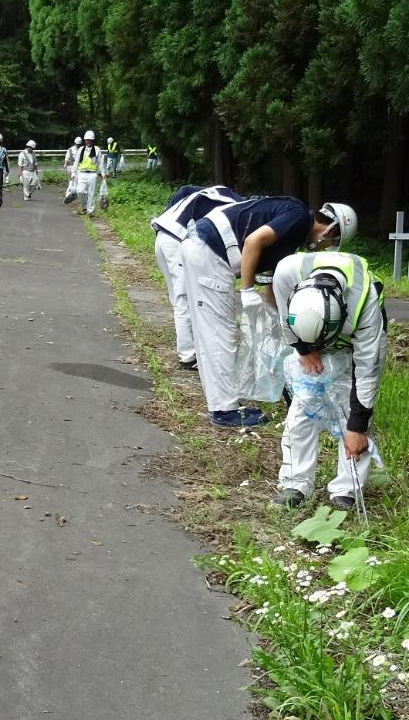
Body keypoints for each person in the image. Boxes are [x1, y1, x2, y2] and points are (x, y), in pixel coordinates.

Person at [180, 195, 357, 428]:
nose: (326, 247)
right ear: (331, 230)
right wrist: (246, 290)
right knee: (219, 335)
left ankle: (221, 403)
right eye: (331, 242)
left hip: (203, 247)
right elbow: (254, 241)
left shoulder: (291, 238)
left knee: (211, 332)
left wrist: (281, 322)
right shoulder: (298, 217)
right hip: (211, 250)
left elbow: (272, 284)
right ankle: (224, 410)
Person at [270, 249, 387, 511]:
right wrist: (302, 349)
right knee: (303, 405)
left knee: (352, 410)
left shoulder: (364, 306)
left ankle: (347, 489)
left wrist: (357, 426)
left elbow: (367, 372)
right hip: (308, 333)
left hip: (354, 345)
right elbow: (283, 318)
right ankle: (295, 483)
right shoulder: (287, 272)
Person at [149, 183, 241, 370]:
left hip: (163, 235)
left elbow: (183, 190)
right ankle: (188, 355)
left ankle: (190, 349)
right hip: (176, 240)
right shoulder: (235, 207)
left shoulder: (217, 192)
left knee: (178, 298)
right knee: (184, 299)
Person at [69, 131, 104, 214]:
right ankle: (84, 206)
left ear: (92, 140)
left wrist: (102, 173)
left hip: (92, 174)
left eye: (90, 140)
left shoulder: (97, 149)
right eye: (87, 140)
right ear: (85, 140)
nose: (88, 141)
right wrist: (73, 173)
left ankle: (90, 211)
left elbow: (100, 162)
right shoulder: (81, 149)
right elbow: (76, 162)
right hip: (82, 173)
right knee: (80, 191)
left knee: (91, 193)